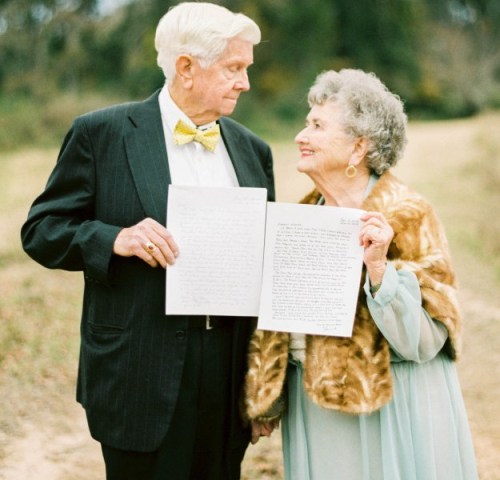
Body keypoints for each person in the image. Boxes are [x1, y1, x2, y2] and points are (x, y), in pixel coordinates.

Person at [21, 3, 274, 479]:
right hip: (137, 370)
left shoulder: (252, 150)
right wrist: (115, 239)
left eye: (246, 69)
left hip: (226, 376)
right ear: (186, 67)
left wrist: (264, 385)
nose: (245, 83)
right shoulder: (101, 134)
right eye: (234, 69)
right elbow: (41, 230)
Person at [243, 69, 478, 479]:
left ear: (358, 147)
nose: (300, 136)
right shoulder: (301, 217)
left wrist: (380, 271)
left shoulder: (408, 215)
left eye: (317, 126)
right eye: (306, 123)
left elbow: (428, 339)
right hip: (315, 413)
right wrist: (266, 396)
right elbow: (278, 322)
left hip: (393, 410)